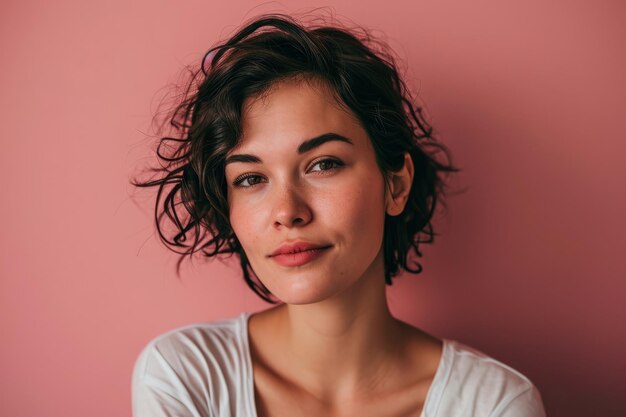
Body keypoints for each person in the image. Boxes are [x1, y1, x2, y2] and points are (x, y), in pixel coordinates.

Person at [131, 13, 546, 417]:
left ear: (396, 185)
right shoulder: (183, 377)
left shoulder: (493, 404)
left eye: (323, 164)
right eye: (251, 178)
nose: (287, 212)